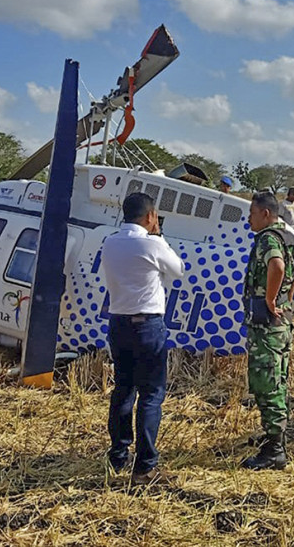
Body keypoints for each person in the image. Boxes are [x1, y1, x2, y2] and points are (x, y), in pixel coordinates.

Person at [100, 192, 184, 485]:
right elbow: (178, 271)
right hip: (148, 325)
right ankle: (145, 465)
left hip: (118, 322)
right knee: (151, 395)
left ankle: (118, 454)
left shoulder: (109, 242)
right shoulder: (152, 243)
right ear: (150, 217)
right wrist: (159, 237)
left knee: (123, 389)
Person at [242, 191, 294, 470]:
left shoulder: (267, 239)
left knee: (267, 383)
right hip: (282, 320)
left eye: (252, 213)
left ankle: (274, 450)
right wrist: (284, 298)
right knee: (279, 379)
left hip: (267, 323)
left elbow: (276, 265)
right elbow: (292, 273)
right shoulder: (288, 236)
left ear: (265, 213)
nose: (249, 219)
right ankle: (273, 438)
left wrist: (269, 299)